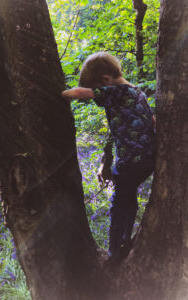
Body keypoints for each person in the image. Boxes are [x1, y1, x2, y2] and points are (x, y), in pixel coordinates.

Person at [62, 52, 156, 262]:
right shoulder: (136, 91)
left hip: (130, 162)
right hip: (148, 158)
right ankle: (125, 240)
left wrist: (59, 95)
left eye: (99, 88)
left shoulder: (116, 91)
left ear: (106, 80)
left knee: (119, 202)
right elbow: (152, 120)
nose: (98, 95)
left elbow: (79, 92)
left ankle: (114, 252)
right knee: (128, 199)